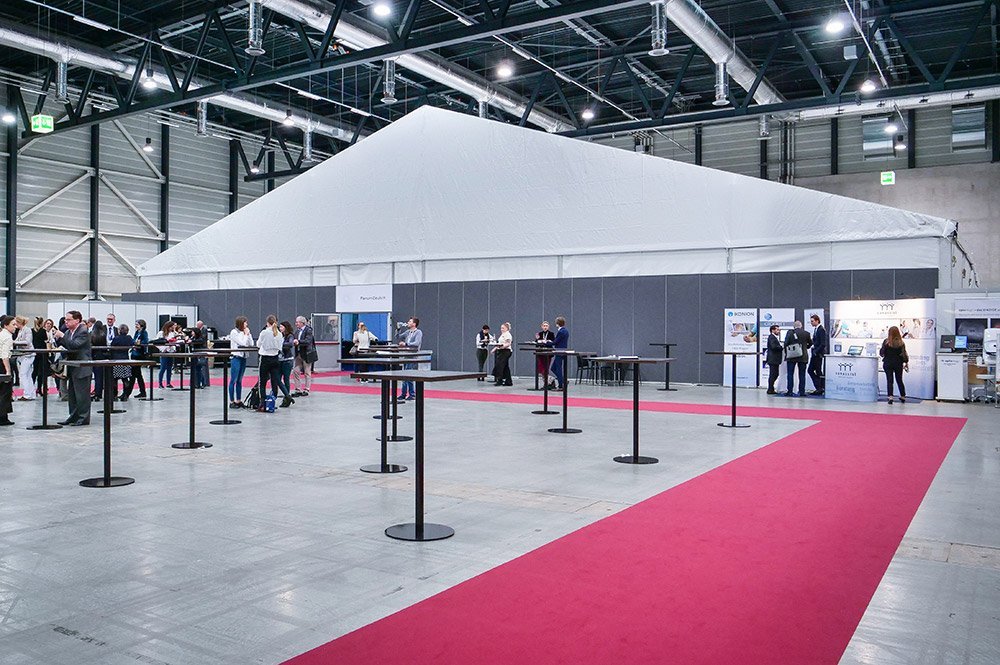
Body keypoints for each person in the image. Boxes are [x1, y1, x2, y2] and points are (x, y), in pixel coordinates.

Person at [52, 310, 92, 426]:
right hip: (73, 366)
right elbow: (67, 344)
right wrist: (58, 338)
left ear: (77, 320)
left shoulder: (83, 331)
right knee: (73, 394)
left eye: (69, 319)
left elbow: (75, 345)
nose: (66, 322)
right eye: (65, 319)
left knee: (82, 395)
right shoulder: (69, 332)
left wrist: (62, 336)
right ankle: (73, 416)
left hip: (82, 366)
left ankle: (83, 418)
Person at [256, 315, 288, 410]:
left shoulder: (264, 332)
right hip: (275, 358)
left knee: (262, 382)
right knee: (274, 381)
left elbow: (258, 344)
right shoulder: (279, 334)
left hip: (265, 358)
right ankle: (272, 402)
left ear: (267, 323)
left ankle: (262, 403)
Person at [228, 316, 254, 408]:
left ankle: (238, 400)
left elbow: (251, 344)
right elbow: (242, 343)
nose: (247, 324)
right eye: (245, 323)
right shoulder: (234, 332)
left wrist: (248, 334)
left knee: (239, 380)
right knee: (233, 380)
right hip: (236, 357)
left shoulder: (245, 332)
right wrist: (245, 335)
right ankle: (232, 401)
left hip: (243, 357)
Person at [879, 325, 909, 404]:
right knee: (899, 380)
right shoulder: (901, 343)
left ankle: (890, 397)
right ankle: (903, 396)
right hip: (898, 363)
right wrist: (906, 362)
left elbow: (882, 353)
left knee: (890, 380)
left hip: (888, 363)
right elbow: (904, 354)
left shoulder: (886, 342)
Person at [783, 320, 812, 397]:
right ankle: (802, 392)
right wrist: (805, 348)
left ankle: (790, 391)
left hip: (791, 356)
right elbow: (811, 343)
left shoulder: (790, 333)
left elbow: (786, 343)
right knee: (802, 375)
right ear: (801, 326)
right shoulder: (806, 333)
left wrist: (788, 351)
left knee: (790, 374)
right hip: (803, 356)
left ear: (794, 326)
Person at [291, 316, 317, 397]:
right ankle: (298, 389)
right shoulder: (297, 331)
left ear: (302, 323)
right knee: (295, 371)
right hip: (298, 354)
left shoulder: (308, 330)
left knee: (307, 372)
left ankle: (307, 389)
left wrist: (298, 342)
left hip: (306, 354)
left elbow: (308, 341)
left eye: (297, 322)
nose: (296, 324)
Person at [398, 317, 423, 400]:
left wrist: (406, 344)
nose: (408, 322)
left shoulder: (418, 332)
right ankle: (403, 394)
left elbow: (416, 343)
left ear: (414, 324)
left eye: (410, 321)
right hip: (406, 355)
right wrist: (398, 329)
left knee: (408, 375)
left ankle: (412, 394)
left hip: (412, 356)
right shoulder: (407, 332)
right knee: (404, 375)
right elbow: (398, 337)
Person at [124, 319, 149, 399]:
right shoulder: (136, 332)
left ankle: (127, 393)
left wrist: (139, 343)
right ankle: (142, 391)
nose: (136, 326)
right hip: (134, 354)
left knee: (134, 375)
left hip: (139, 355)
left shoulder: (144, 333)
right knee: (138, 375)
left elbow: (145, 342)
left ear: (141, 325)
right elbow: (134, 340)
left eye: (137, 324)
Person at [14, 316, 35, 401]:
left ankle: (27, 394)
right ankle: (31, 394)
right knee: (28, 375)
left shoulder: (27, 330)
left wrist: (14, 342)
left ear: (19, 322)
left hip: (28, 355)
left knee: (23, 374)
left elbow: (28, 342)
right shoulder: (20, 331)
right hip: (24, 355)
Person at [110, 324, 133, 401]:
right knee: (125, 379)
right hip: (125, 360)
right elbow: (132, 344)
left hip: (116, 360)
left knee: (114, 379)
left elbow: (111, 347)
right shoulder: (129, 338)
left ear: (119, 331)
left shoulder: (116, 338)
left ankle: (114, 395)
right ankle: (125, 395)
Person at [0, 316, 16, 426]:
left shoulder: (2, 334)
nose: (15, 327)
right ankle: (2, 417)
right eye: (13, 324)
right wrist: (8, 371)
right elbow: (4, 355)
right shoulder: (7, 337)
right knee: (5, 392)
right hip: (2, 364)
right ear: (6, 325)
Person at [154, 321, 179, 388]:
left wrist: (174, 345)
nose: (172, 328)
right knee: (163, 368)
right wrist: (162, 348)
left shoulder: (172, 333)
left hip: (170, 351)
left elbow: (173, 341)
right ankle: (160, 383)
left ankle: (168, 383)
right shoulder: (161, 333)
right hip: (164, 351)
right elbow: (156, 342)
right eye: (171, 327)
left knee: (169, 368)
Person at [808, 314, 827, 396]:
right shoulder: (816, 329)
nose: (811, 323)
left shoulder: (821, 330)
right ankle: (820, 387)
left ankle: (820, 387)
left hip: (818, 354)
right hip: (815, 353)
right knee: (815, 371)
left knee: (814, 370)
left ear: (817, 321)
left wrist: (816, 351)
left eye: (812, 321)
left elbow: (823, 343)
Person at [278, 321, 296, 407]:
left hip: (287, 360)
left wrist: (280, 344)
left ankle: (286, 398)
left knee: (286, 379)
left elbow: (290, 344)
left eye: (281, 327)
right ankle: (287, 395)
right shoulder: (280, 335)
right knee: (278, 379)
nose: (280, 328)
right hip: (280, 360)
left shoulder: (290, 336)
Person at [89, 320, 108, 401]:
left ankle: (94, 392)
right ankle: (99, 393)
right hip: (101, 356)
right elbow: (105, 346)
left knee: (93, 376)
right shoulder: (103, 334)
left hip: (93, 356)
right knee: (99, 376)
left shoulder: (91, 334)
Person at [491, 322, 513, 386]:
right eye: (501, 328)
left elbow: (508, 343)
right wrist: (495, 349)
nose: (501, 329)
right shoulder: (503, 334)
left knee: (500, 365)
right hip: (502, 351)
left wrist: (502, 346)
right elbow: (499, 343)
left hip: (506, 351)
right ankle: (508, 381)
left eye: (503, 328)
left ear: (507, 328)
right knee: (505, 366)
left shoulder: (508, 334)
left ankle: (500, 380)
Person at [535, 321, 556, 388]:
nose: (545, 327)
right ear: (541, 326)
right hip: (540, 353)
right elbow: (536, 343)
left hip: (548, 353)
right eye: (544, 326)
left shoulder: (551, 334)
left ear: (548, 327)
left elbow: (553, 342)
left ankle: (547, 384)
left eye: (546, 326)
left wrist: (548, 341)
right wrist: (537, 339)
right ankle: (550, 380)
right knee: (540, 368)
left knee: (546, 368)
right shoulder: (539, 334)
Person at [551, 316, 569, 390]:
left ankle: (561, 385)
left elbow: (555, 342)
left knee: (558, 368)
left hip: (559, 351)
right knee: (553, 368)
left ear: (557, 323)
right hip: (563, 351)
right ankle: (563, 380)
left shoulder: (561, 332)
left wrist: (546, 343)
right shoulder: (566, 331)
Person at [190, 320, 209, 388]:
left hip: (199, 354)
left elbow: (200, 341)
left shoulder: (200, 338)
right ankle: (198, 383)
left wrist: (191, 341)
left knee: (199, 369)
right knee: (197, 369)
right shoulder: (193, 337)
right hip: (196, 355)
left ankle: (202, 383)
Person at [764, 324, 783, 395]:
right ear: (773, 330)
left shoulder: (774, 337)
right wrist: (781, 347)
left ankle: (771, 388)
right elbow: (773, 347)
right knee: (773, 374)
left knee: (775, 374)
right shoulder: (771, 337)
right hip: (773, 359)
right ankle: (770, 389)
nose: (779, 331)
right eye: (777, 330)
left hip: (774, 359)